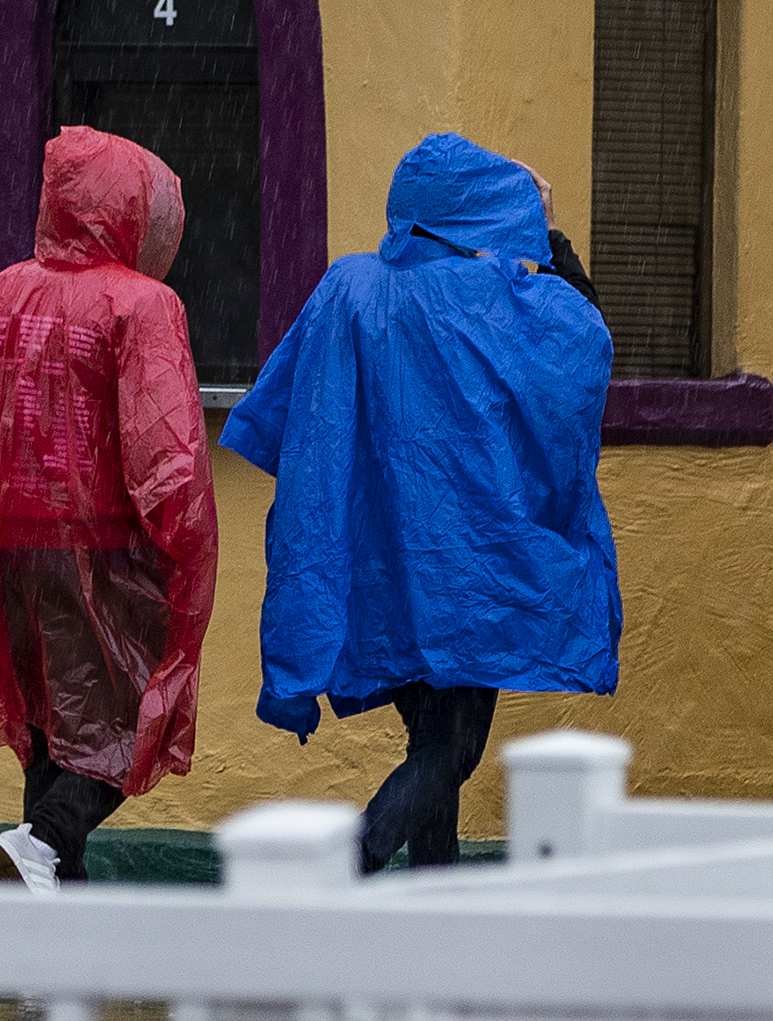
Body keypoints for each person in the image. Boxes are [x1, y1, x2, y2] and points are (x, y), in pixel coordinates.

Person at [223, 133, 618, 873]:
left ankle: (434, 896)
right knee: (453, 747)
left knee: (430, 740)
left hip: (380, 569)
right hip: (474, 572)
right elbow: (587, 343)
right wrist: (551, 233)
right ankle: (354, 860)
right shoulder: (503, 298)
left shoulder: (347, 288)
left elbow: (288, 411)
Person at [0, 128, 219, 890]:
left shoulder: (5, 292)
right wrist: (184, 546)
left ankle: (48, 925)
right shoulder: (143, 305)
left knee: (49, 736)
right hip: (106, 551)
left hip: (13, 550)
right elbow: (164, 448)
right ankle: (45, 841)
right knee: (132, 717)